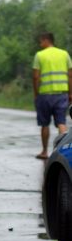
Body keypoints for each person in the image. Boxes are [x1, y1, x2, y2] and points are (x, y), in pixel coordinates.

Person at [33, 32, 72, 160]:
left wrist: (36, 93)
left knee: (45, 124)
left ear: (46, 40)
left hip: (45, 95)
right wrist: (70, 92)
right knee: (61, 122)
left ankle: (45, 151)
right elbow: (70, 75)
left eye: (41, 41)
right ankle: (65, 152)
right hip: (62, 94)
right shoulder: (64, 54)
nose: (40, 44)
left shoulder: (39, 55)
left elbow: (36, 76)